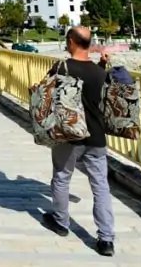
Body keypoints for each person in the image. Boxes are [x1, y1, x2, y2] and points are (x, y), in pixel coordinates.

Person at [42, 25, 115, 257]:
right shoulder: (100, 72)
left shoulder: (62, 67)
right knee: (101, 186)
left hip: (69, 136)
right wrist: (103, 65)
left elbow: (44, 91)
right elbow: (96, 91)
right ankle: (106, 239)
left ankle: (61, 223)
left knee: (62, 178)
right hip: (96, 137)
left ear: (72, 41)